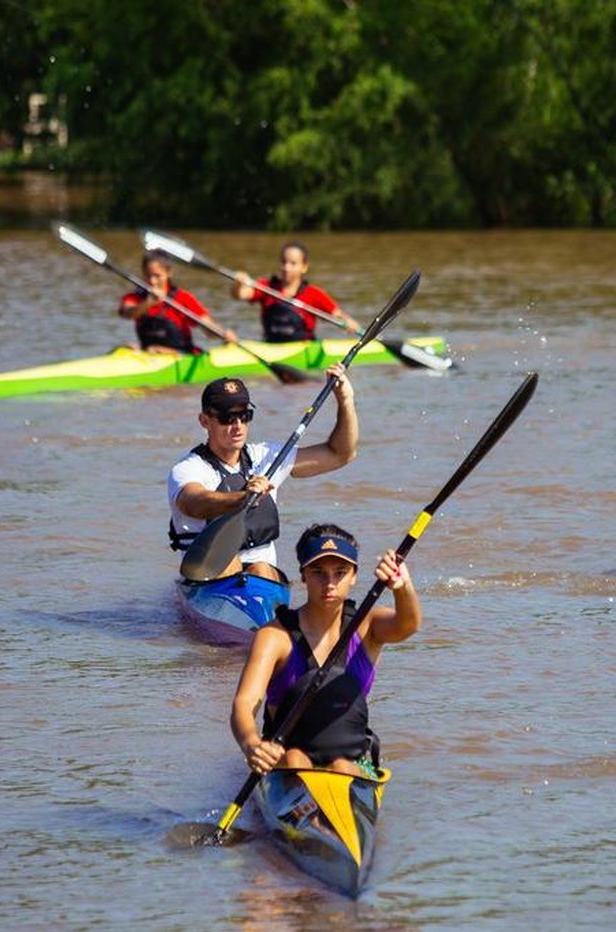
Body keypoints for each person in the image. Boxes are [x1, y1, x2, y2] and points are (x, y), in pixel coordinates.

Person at [231, 524, 418, 777]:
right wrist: (251, 744)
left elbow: (408, 625)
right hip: (285, 758)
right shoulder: (273, 636)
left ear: (354, 576)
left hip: (351, 762)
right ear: (303, 575)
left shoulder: (368, 626)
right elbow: (245, 702)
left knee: (342, 766)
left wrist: (403, 587)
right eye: (318, 572)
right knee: (296, 759)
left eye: (340, 573)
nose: (329, 584)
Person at [167, 367, 358, 582]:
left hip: (263, 578)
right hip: (208, 574)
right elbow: (193, 503)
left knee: (261, 569)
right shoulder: (189, 468)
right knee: (232, 563)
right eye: (227, 418)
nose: (238, 426)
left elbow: (340, 454)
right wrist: (243, 498)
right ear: (204, 421)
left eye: (244, 416)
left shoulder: (266, 456)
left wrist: (345, 400)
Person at [231, 241, 361, 342]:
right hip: (270, 347)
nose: (286, 268)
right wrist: (239, 283)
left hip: (303, 348)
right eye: (284, 262)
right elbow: (239, 295)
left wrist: (348, 321)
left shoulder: (313, 294)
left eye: (293, 263)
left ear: (304, 267)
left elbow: (337, 314)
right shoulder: (266, 287)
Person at [120, 250, 234, 354]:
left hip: (182, 355)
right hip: (149, 355)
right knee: (125, 348)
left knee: (154, 350)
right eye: (148, 276)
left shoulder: (183, 298)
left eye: (157, 276)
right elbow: (127, 313)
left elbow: (207, 329)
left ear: (169, 273)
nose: (152, 281)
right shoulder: (135, 297)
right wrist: (148, 302)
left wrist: (223, 333)